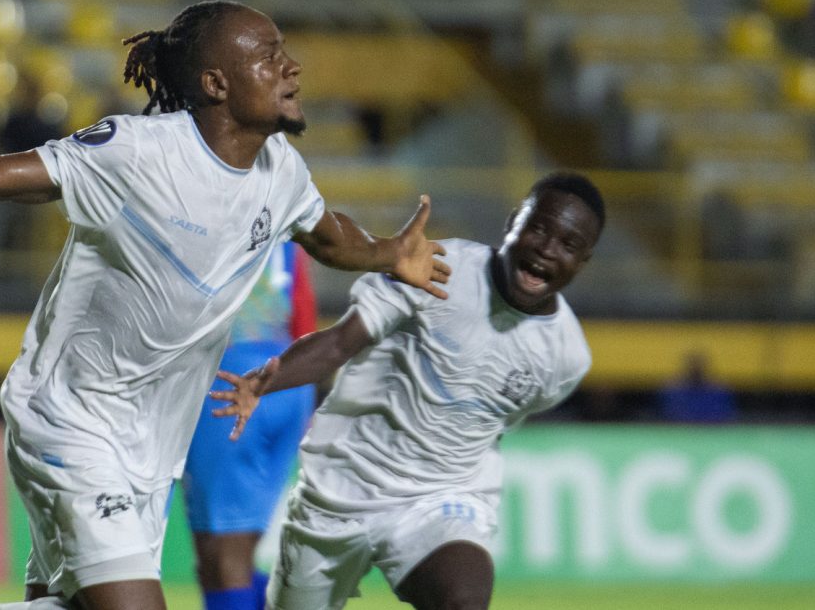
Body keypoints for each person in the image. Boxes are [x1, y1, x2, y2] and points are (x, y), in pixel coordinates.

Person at [0, 0, 451, 610]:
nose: (289, 66)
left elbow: (327, 237)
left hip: (152, 445)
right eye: (267, 53)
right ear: (218, 84)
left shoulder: (280, 170)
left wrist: (391, 253)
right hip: (72, 418)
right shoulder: (137, 154)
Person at [213, 172, 605, 610]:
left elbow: (497, 419)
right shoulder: (438, 268)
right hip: (341, 488)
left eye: (568, 246)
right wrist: (262, 382)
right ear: (514, 222)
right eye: (538, 229)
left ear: (583, 261)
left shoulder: (567, 356)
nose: (548, 250)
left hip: (442, 498)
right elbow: (342, 342)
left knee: (463, 599)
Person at [182, 239, 318, 610]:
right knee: (236, 549)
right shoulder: (285, 228)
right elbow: (303, 313)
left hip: (232, 378)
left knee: (222, 552)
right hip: (289, 380)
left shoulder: (209, 213)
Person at [656, 351, 737, 424]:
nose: (695, 369)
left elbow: (726, 416)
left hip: (712, 432)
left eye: (699, 366)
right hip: (679, 433)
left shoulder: (718, 391)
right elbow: (666, 416)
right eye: (692, 365)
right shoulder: (673, 391)